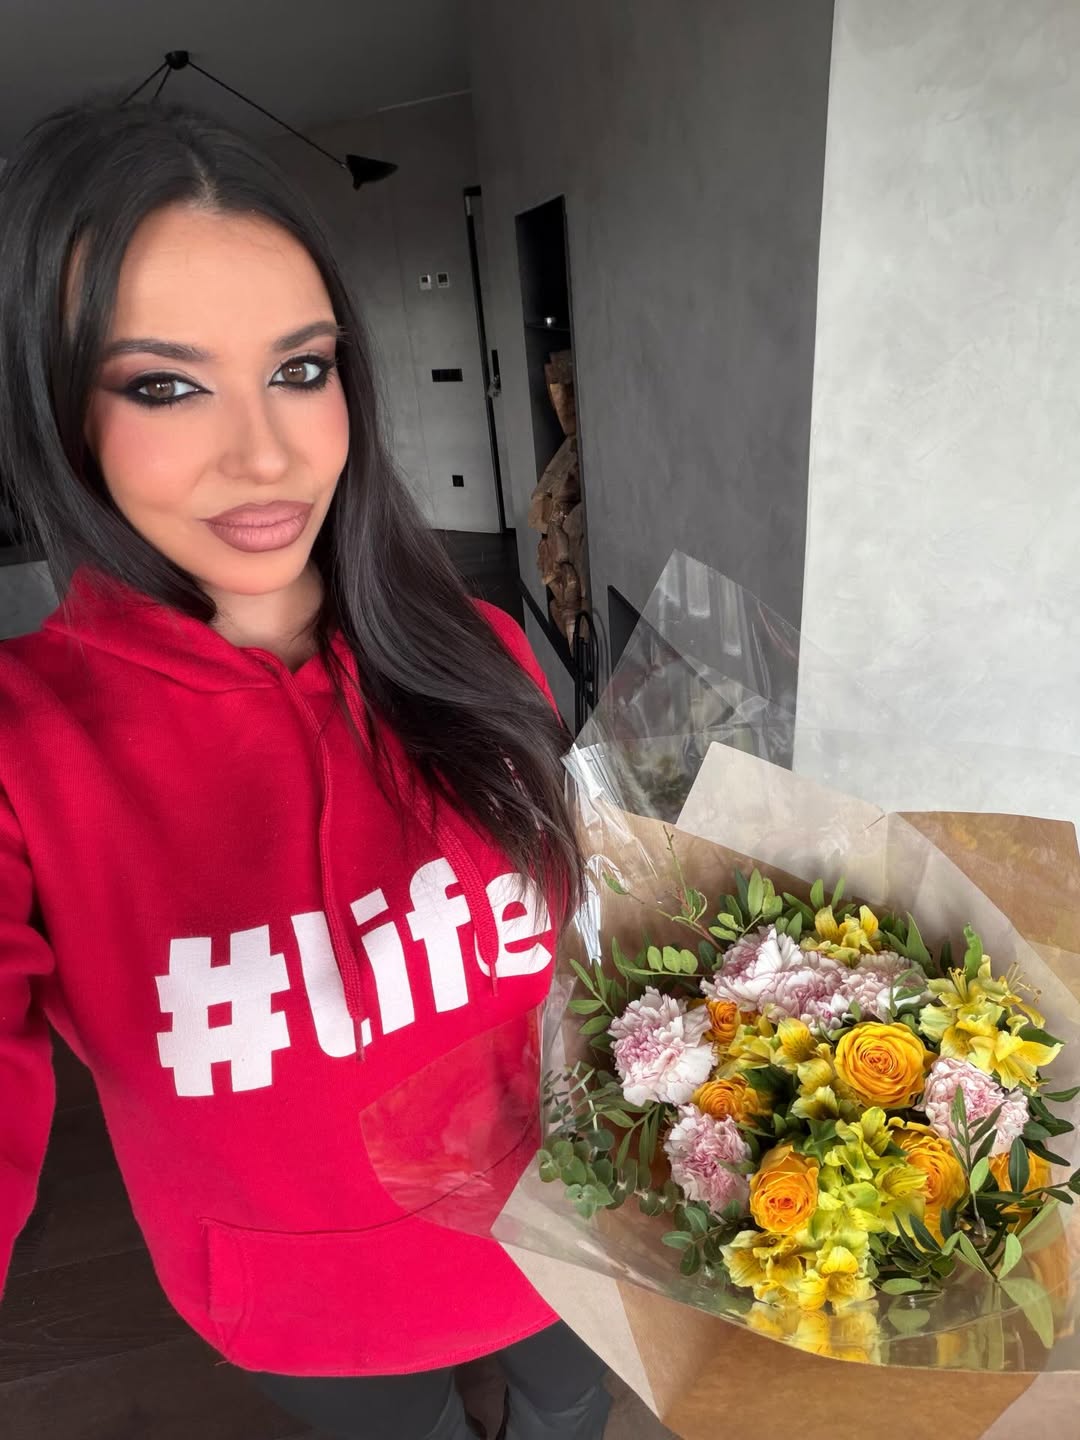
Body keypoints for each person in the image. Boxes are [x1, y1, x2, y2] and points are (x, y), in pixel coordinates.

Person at [0, 99, 611, 1440]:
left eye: (300, 368)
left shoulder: (483, 644)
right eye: (164, 385)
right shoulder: (22, 747)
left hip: (573, 1231)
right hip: (301, 1308)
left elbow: (588, 944)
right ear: (56, 409)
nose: (268, 454)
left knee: (573, 1419)